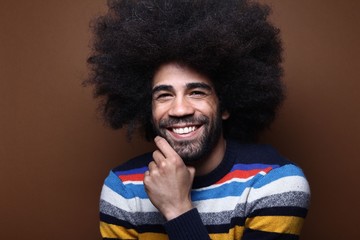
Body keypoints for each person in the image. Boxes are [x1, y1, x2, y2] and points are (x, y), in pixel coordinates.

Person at [87, 0, 311, 239]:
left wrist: (177, 209)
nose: (180, 109)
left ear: (225, 105)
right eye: (164, 95)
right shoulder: (123, 190)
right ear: (148, 109)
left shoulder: (274, 183)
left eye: (197, 92)